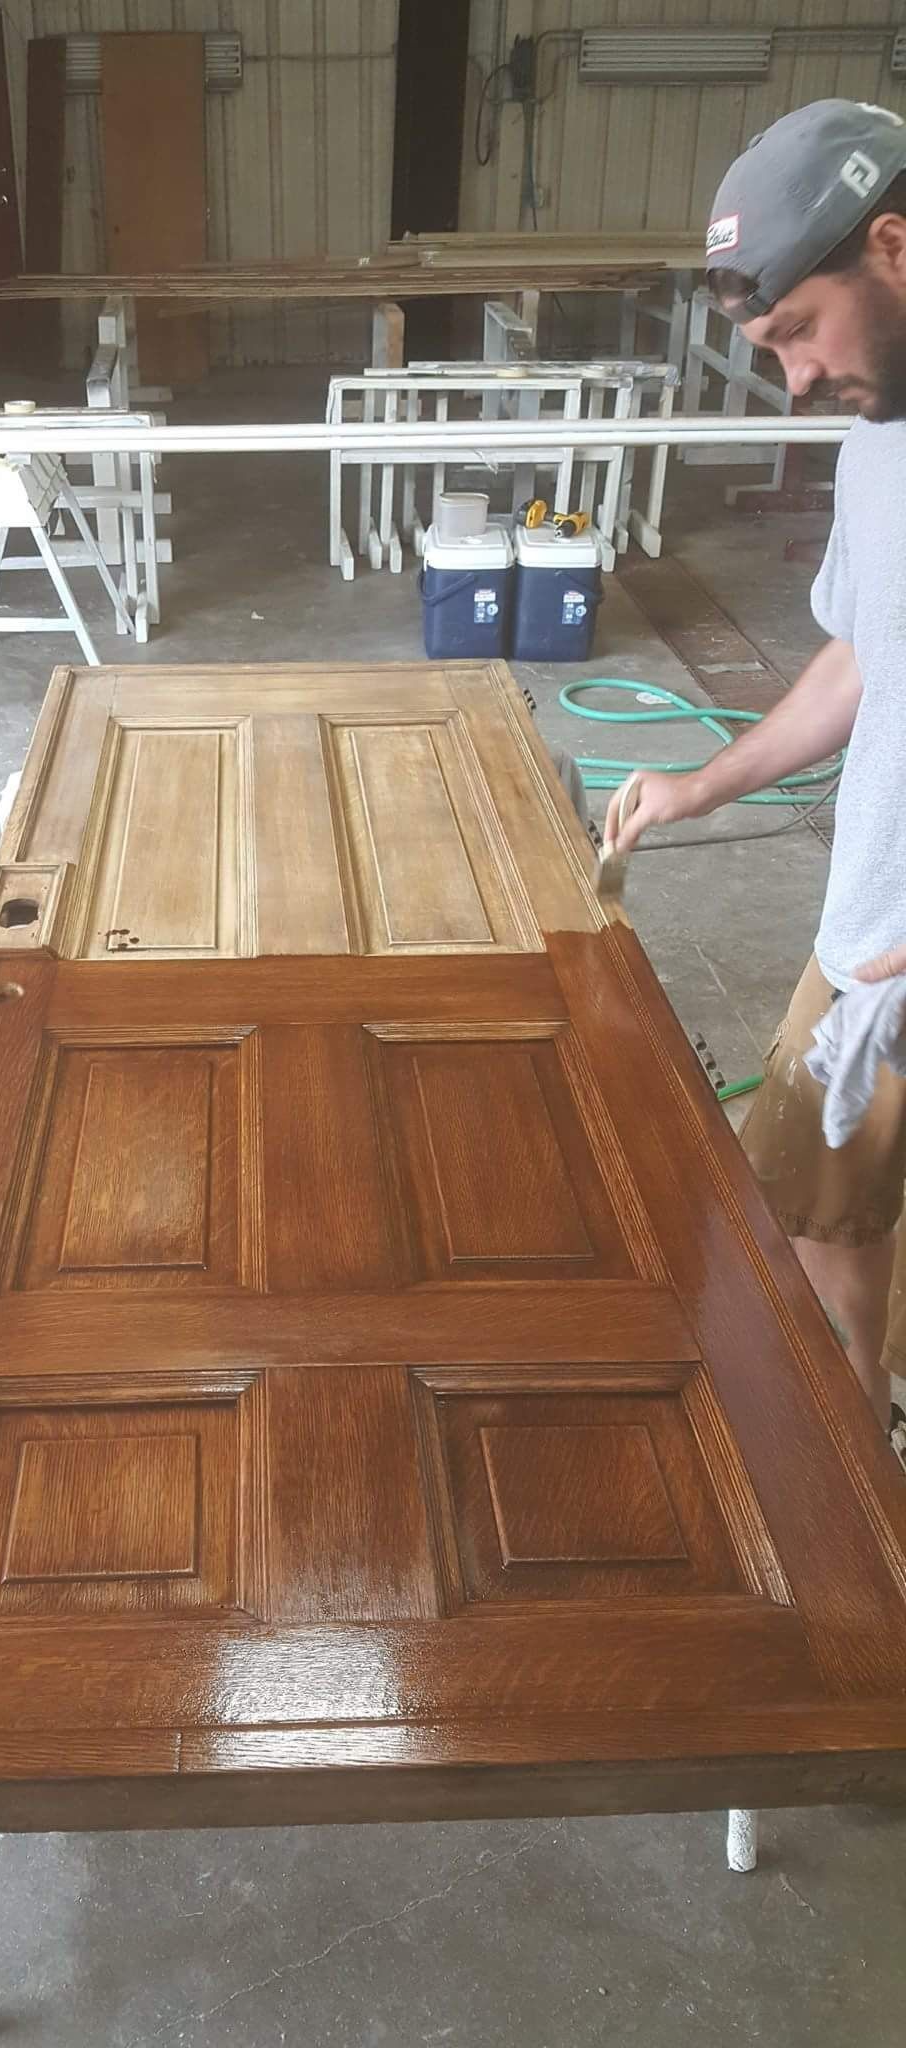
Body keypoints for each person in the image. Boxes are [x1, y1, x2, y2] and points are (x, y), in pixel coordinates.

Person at [606, 100, 906, 1430]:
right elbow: (859, 658)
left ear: (890, 247)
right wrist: (700, 784)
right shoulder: (878, 443)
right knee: (815, 1199)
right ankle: (864, 1411)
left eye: (796, 333)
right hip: (871, 945)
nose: (791, 378)